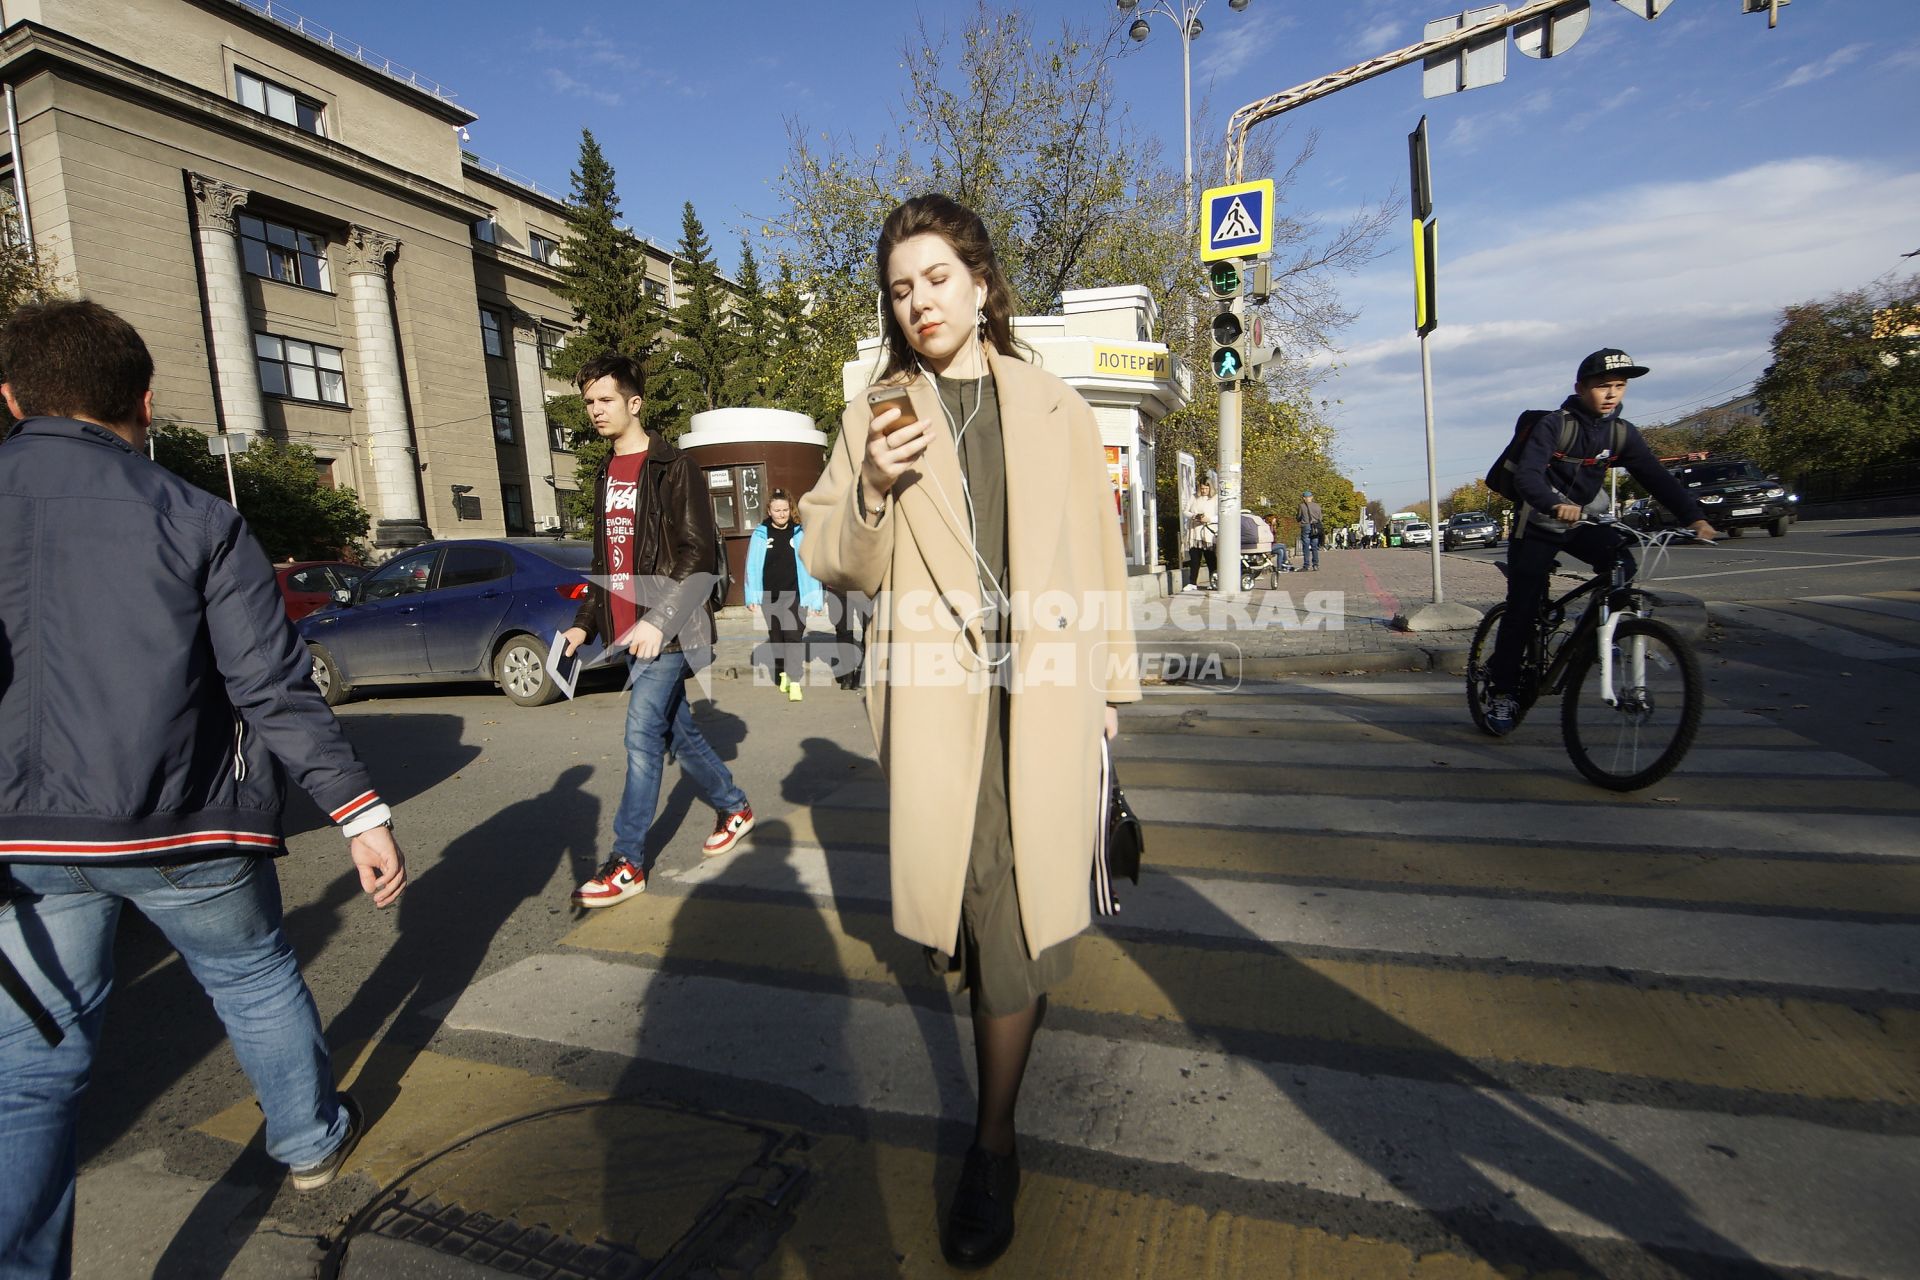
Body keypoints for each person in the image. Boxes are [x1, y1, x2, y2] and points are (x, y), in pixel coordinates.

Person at [0, 300, 407, 1276]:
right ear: (143, 402)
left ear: (10, 398)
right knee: (255, 974)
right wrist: (360, 809)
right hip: (191, 825)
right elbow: (269, 685)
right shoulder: (197, 517)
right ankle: (309, 1141)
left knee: (30, 1069)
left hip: (26, 839)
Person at [799, 193, 1140, 1269]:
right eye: (901, 288)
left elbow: (1099, 552)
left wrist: (1113, 685)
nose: (919, 303)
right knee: (992, 903)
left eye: (937, 278)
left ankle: (991, 1141)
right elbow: (833, 561)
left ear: (982, 282)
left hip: (1043, 693)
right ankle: (997, 1131)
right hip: (945, 699)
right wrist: (871, 488)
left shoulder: (1053, 405)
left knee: (1011, 918)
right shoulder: (878, 410)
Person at [561, 353, 752, 907]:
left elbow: (697, 553)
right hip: (628, 630)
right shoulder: (603, 472)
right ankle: (734, 805)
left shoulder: (674, 467)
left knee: (642, 736)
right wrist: (582, 626)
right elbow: (607, 558)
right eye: (589, 402)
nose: (595, 410)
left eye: (605, 400)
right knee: (678, 734)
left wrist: (656, 617)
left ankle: (628, 862)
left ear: (634, 403)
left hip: (671, 629)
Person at [1484, 348, 1719, 735]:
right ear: (1580, 388)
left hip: (1582, 522)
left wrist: (1694, 517)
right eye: (1602, 386)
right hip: (1539, 522)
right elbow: (1527, 476)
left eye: (1619, 386)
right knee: (1523, 610)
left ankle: (1600, 631)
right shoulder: (1555, 425)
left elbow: (1656, 476)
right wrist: (1555, 503)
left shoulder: (1620, 433)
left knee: (1621, 562)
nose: (1611, 394)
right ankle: (1502, 692)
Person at [743, 490, 825, 702]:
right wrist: (752, 596)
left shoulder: (799, 533)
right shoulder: (761, 534)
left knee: (793, 636)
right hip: (770, 596)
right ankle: (782, 672)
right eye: (777, 510)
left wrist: (816, 598)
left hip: (796, 595)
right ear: (769, 511)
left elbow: (810, 566)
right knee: (777, 638)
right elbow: (752, 566)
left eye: (785, 510)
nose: (781, 514)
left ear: (791, 510)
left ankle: (795, 681)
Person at [1182, 479, 1217, 591]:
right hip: (1195, 532)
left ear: (1210, 488)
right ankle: (1192, 582)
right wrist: (1194, 516)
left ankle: (1214, 581)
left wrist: (1209, 519)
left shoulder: (1215, 498)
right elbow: (1185, 511)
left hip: (1208, 532)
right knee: (1194, 559)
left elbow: (1221, 515)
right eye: (1202, 488)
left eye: (1206, 488)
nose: (1204, 491)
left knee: (1210, 559)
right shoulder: (1194, 497)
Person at [1296, 490, 1323, 570]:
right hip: (1316, 527)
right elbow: (1320, 518)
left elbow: (1299, 517)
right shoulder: (1317, 506)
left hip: (1306, 526)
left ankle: (1306, 565)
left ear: (1304, 498)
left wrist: (1300, 519)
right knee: (1314, 546)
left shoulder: (1301, 506)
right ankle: (1315, 565)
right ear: (1312, 497)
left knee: (1306, 546)